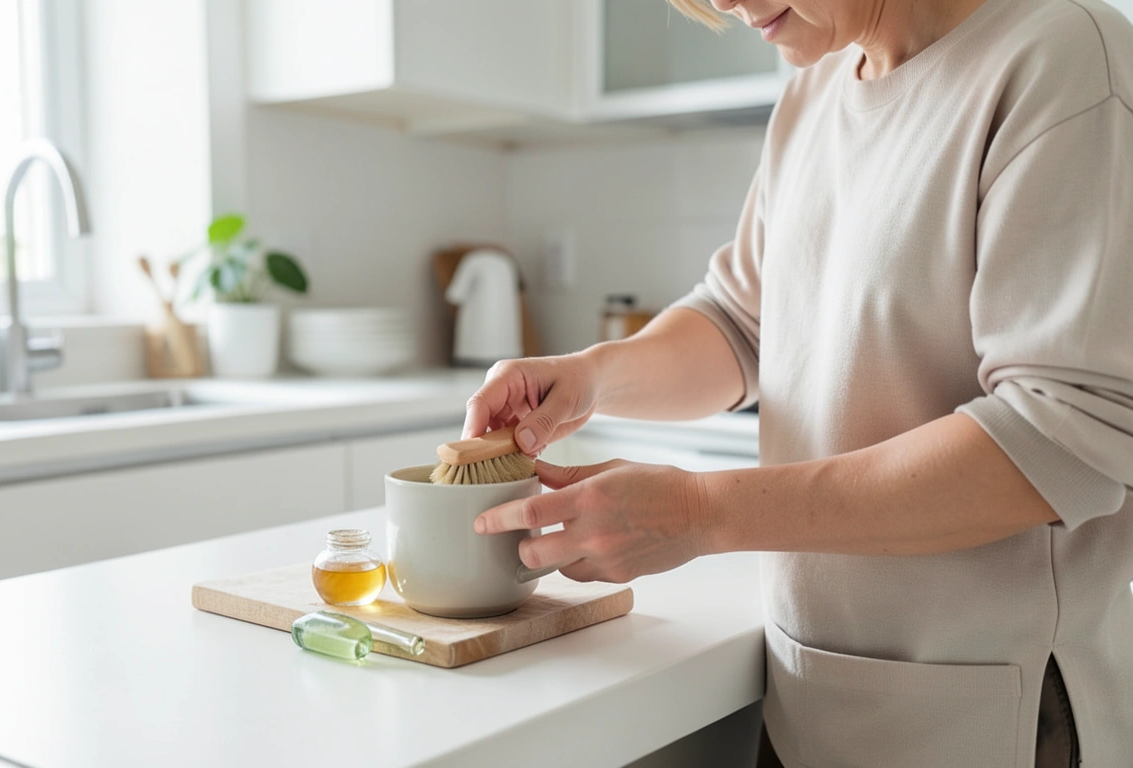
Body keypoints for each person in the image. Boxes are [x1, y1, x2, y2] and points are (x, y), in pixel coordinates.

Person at [462, 0, 1133, 765]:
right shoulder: (813, 92)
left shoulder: (1061, 58)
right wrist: (590, 376)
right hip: (812, 695)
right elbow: (739, 322)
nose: (724, 3)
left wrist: (698, 513)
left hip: (987, 720)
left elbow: (1057, 439)